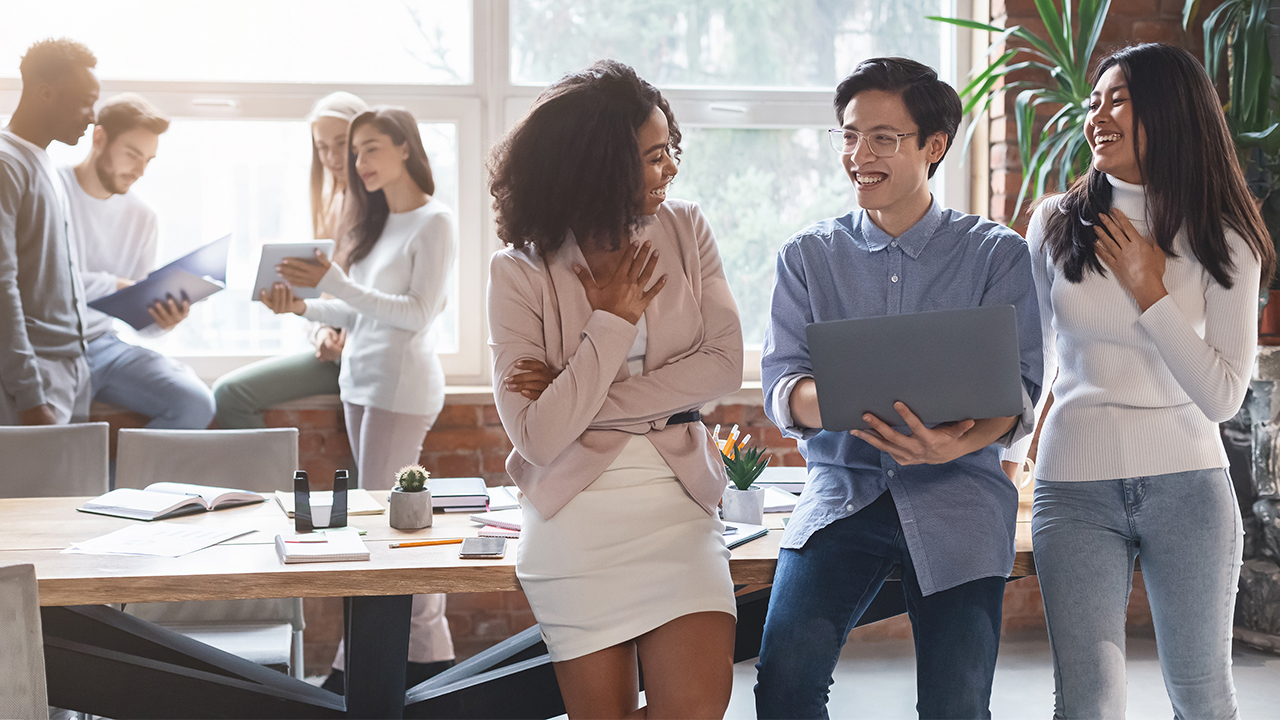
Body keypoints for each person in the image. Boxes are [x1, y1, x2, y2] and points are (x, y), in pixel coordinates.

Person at [755, 57, 1042, 719]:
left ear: (933, 146)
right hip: (842, 494)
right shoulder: (808, 257)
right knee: (786, 683)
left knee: (956, 704)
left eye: (884, 137)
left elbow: (1018, 389)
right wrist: (837, 398)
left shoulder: (995, 254)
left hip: (960, 496)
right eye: (851, 136)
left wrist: (951, 446)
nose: (860, 154)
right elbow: (781, 384)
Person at [1004, 43, 1275, 719]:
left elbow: (1222, 395)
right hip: (1074, 485)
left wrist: (1149, 289)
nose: (1098, 113)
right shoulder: (1054, 222)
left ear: (1171, 111)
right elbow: (1029, 365)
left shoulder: (1225, 235)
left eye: (1118, 98)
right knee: (1088, 702)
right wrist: (1007, 462)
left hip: (1190, 485)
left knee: (1202, 697)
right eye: (1094, 101)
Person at [486, 59, 743, 719]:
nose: (671, 169)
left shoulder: (687, 230)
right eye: (655, 156)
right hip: (573, 523)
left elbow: (721, 366)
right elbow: (539, 438)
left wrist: (580, 403)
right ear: (599, 165)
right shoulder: (519, 272)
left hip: (679, 511)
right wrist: (613, 319)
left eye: (671, 150)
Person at [259, 105, 457, 691]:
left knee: (387, 527)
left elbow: (417, 314)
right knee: (393, 524)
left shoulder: (434, 222)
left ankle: (376, 665)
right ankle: (417, 657)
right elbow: (352, 311)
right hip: (361, 383)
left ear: (404, 147)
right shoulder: (376, 223)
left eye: (370, 148)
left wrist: (336, 282)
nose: (358, 162)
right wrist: (301, 306)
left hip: (402, 387)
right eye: (354, 153)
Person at [211, 92, 368, 431]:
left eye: (340, 144)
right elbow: (321, 295)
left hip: (369, 356)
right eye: (321, 147)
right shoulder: (329, 202)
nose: (330, 157)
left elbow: (384, 299)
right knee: (229, 393)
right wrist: (321, 332)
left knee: (364, 477)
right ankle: (275, 487)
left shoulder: (382, 211)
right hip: (333, 354)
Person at [60, 92, 216, 429]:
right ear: (98, 138)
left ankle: (121, 484)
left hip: (104, 345)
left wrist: (162, 320)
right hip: (51, 346)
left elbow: (134, 314)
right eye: (132, 154)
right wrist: (114, 286)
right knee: (62, 442)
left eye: (148, 160)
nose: (140, 170)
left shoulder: (143, 216)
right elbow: (44, 283)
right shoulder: (52, 189)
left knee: (196, 403)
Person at [0, 38, 99, 426]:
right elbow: (2, 285)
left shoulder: (46, 163)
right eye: (85, 101)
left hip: (71, 369)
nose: (92, 117)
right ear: (45, 93)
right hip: (34, 377)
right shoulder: (7, 166)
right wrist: (29, 392)